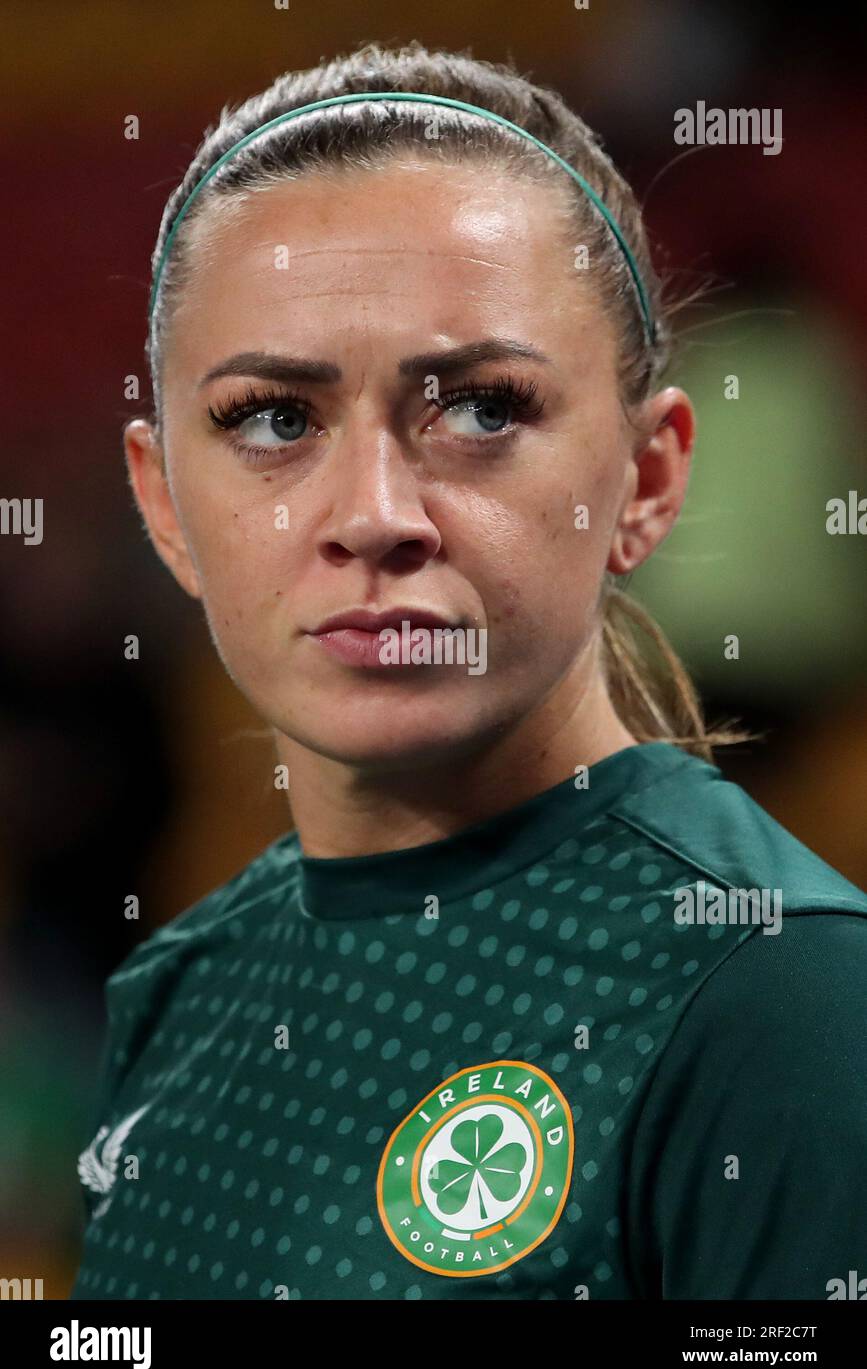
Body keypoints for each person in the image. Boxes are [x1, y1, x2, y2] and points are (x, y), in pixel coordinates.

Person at [71, 41, 867, 1301]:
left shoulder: (788, 996)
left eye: (483, 408)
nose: (376, 514)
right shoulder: (178, 988)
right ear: (166, 505)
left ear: (647, 481)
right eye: (273, 418)